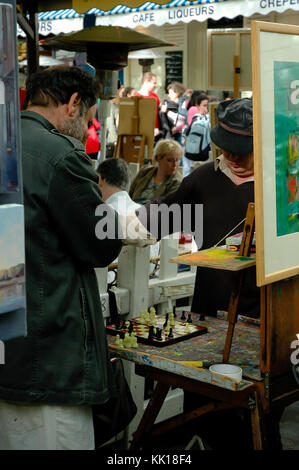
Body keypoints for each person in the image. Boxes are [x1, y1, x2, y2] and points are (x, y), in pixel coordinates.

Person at [0, 66, 125, 451]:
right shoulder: (58, 154)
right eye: (88, 119)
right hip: (48, 351)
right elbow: (101, 244)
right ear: (72, 104)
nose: (88, 129)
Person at [138, 98, 259, 318]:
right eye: (227, 147)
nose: (231, 156)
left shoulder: (281, 187)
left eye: (241, 150)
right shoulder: (204, 178)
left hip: (263, 310)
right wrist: (125, 224)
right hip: (210, 305)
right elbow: (167, 211)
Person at [129, 139, 183, 205]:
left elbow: (165, 208)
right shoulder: (145, 171)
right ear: (158, 158)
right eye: (170, 160)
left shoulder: (177, 182)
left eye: (177, 160)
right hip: (131, 210)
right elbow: (130, 194)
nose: (175, 165)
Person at [136, 72, 161, 138]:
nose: (156, 85)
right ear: (146, 82)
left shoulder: (155, 96)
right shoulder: (136, 97)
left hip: (155, 133)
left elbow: (159, 110)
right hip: (141, 133)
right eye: (154, 83)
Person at [105, 85, 125, 158]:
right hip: (113, 142)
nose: (124, 95)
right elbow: (110, 125)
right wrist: (114, 141)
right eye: (122, 92)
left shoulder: (121, 106)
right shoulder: (111, 106)